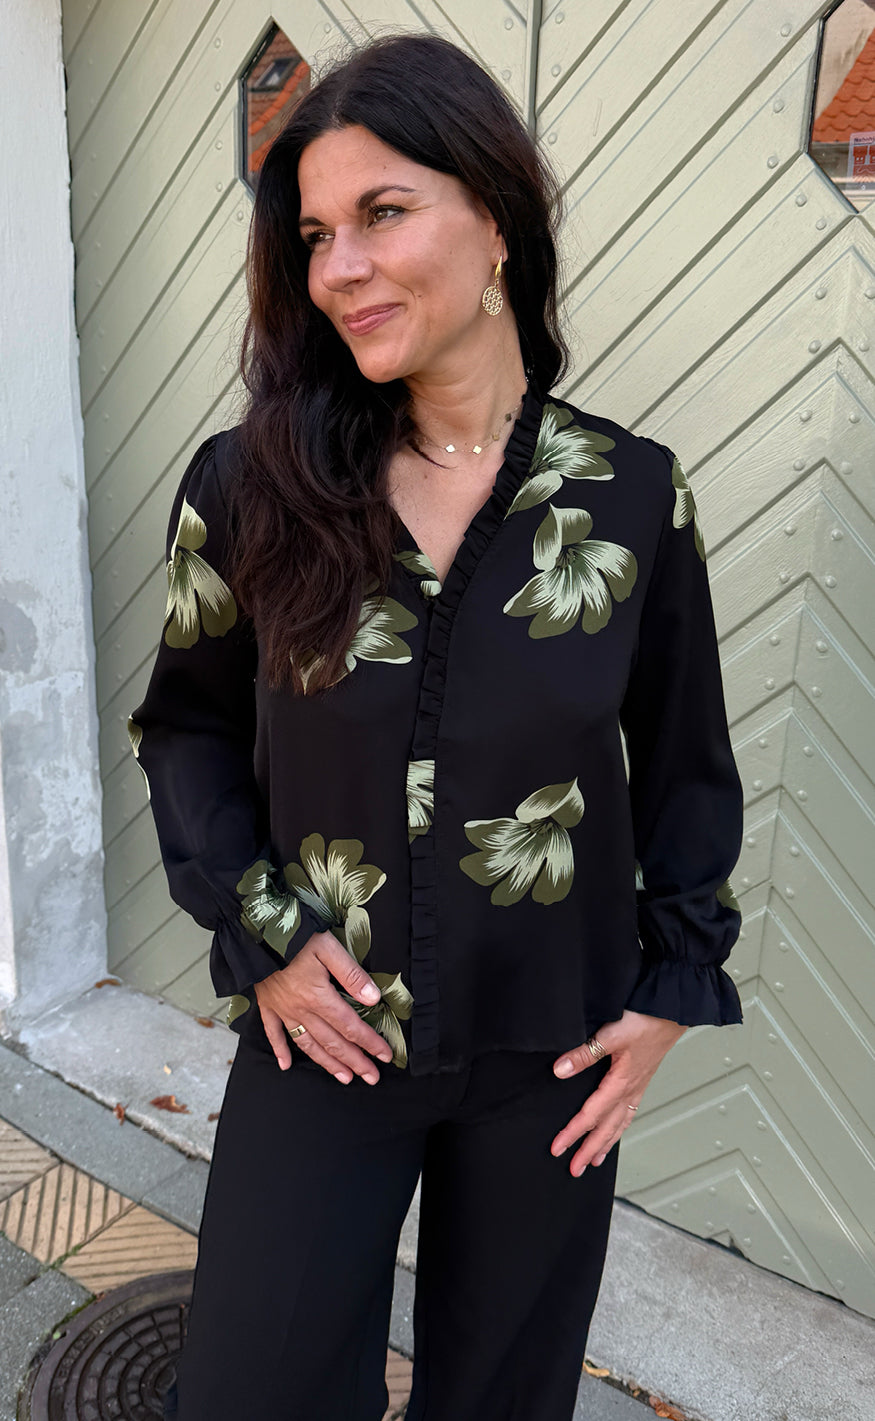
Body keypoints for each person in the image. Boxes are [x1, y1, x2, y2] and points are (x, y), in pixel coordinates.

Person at [129, 31, 745, 1421]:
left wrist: (670, 988)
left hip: (552, 1048)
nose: (337, 268)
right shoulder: (250, 485)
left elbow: (685, 765)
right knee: (252, 1392)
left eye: (383, 213)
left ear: (499, 219)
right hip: (324, 1030)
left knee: (505, 1399)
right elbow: (186, 730)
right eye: (314, 236)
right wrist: (265, 933)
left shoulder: (631, 497)